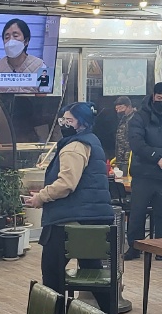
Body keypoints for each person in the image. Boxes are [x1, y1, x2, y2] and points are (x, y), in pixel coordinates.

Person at [24, 101, 115, 292]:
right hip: (92, 216)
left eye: (70, 120)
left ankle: (56, 311)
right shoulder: (91, 140)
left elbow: (66, 184)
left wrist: (41, 197)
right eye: (63, 120)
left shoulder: (74, 147)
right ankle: (106, 311)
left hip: (70, 220)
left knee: (52, 274)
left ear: (82, 122)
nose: (64, 124)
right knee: (93, 273)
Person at [125, 82, 162, 260]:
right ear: (153, 96)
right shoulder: (140, 117)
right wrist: (156, 158)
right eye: (159, 98)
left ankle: (161, 249)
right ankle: (134, 247)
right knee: (137, 213)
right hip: (143, 174)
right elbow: (136, 143)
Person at [0, 18, 48, 91]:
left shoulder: (41, 67)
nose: (11, 40)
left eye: (15, 36)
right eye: (7, 37)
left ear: (26, 41)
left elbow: (46, 94)